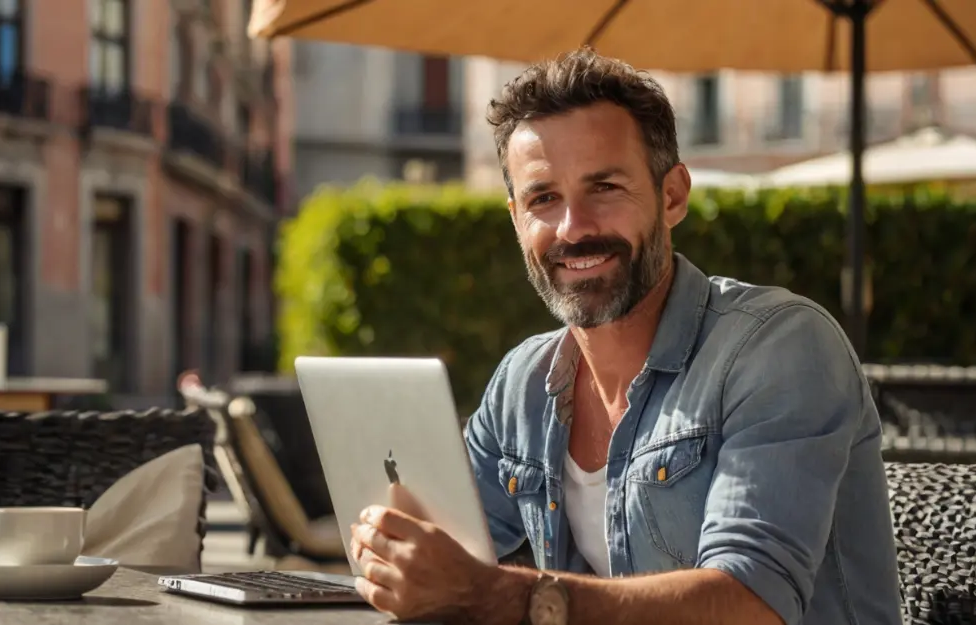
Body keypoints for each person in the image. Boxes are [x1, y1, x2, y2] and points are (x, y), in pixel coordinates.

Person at [350, 47, 903, 625]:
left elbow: (751, 603)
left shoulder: (779, 348)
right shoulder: (522, 384)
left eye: (605, 187)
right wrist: (395, 565)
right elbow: (447, 560)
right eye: (543, 198)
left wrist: (499, 596)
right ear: (516, 219)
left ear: (672, 196)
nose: (573, 227)